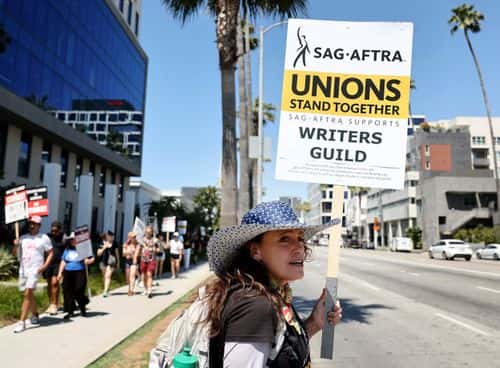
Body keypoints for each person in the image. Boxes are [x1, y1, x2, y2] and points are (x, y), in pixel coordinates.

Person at [205, 201, 343, 367]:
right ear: (256, 251)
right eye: (284, 239)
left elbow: (280, 352)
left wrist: (314, 322)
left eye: (300, 238)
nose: (299, 248)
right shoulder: (255, 306)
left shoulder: (271, 292)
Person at [12, 216, 54, 333]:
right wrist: (15, 245)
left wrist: (45, 266)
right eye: (30, 223)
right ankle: (35, 314)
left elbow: (50, 253)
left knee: (27, 294)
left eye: (34, 224)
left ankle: (22, 322)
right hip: (23, 270)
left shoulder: (44, 238)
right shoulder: (23, 238)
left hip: (35, 270)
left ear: (39, 225)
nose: (32, 225)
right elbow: (15, 254)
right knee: (28, 295)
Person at [57, 233, 94, 320]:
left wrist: (88, 261)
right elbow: (63, 261)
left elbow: (92, 258)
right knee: (68, 292)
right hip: (68, 272)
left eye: (75, 239)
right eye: (72, 239)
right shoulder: (67, 250)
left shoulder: (84, 249)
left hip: (80, 272)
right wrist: (59, 273)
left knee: (79, 290)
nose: (73, 241)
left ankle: (82, 307)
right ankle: (70, 312)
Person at [43, 221, 65, 315]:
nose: (54, 232)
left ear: (60, 230)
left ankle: (54, 305)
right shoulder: (47, 237)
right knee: (49, 284)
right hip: (48, 263)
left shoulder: (64, 238)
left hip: (58, 263)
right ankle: (52, 303)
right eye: (52, 230)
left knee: (55, 283)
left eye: (56, 231)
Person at [97, 231, 120, 297]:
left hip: (111, 262)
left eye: (112, 236)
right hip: (103, 262)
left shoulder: (115, 243)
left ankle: (105, 291)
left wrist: (118, 262)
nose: (112, 237)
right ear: (107, 236)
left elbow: (117, 254)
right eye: (110, 236)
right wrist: (104, 247)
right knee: (104, 276)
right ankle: (106, 289)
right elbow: (98, 254)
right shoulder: (101, 243)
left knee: (108, 276)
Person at [140, 226, 160, 298]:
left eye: (149, 232)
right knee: (144, 275)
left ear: (152, 232)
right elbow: (138, 249)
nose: (147, 233)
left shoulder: (155, 240)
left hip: (151, 260)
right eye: (146, 232)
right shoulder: (142, 240)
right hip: (143, 260)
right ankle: (145, 289)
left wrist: (154, 249)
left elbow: (158, 250)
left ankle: (149, 290)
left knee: (149, 274)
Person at [123, 232, 140, 296]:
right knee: (127, 277)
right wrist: (129, 252)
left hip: (134, 261)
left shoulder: (137, 244)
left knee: (132, 275)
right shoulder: (126, 244)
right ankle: (130, 287)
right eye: (133, 237)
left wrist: (134, 257)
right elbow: (123, 254)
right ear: (129, 237)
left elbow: (137, 253)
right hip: (127, 261)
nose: (134, 238)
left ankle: (131, 290)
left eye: (135, 237)